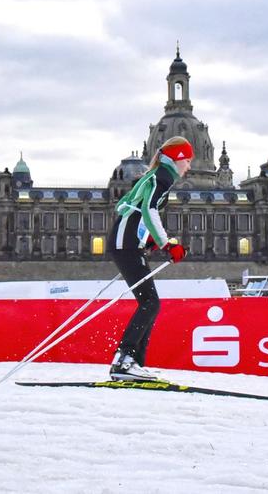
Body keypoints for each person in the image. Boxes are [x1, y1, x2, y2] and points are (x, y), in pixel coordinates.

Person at [107, 136, 193, 381]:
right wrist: (166, 243)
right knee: (150, 303)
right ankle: (125, 360)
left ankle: (133, 363)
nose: (188, 166)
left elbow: (127, 205)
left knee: (150, 302)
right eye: (187, 160)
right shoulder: (163, 176)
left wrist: (151, 239)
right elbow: (149, 209)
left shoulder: (155, 175)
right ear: (177, 159)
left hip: (128, 240)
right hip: (127, 242)